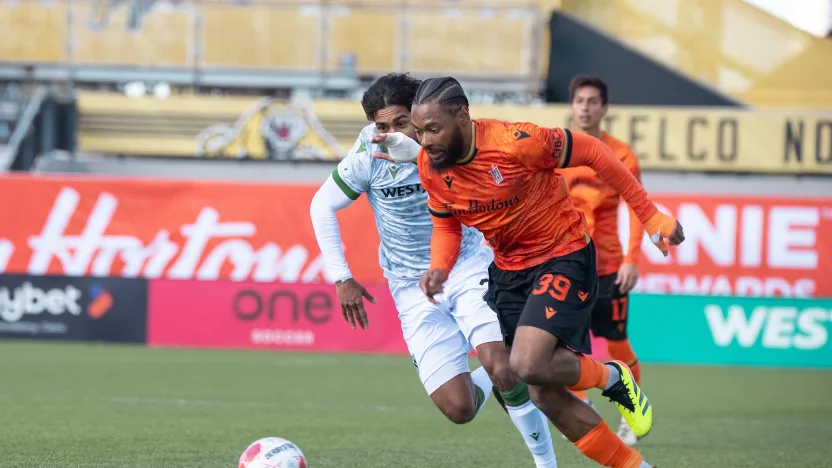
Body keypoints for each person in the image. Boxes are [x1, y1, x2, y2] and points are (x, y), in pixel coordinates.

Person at [373, 76, 684, 468]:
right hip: (508, 271)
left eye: (433, 129)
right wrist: (440, 267)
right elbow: (447, 226)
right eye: (419, 132)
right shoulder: (430, 166)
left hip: (563, 254)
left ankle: (611, 378)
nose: (425, 141)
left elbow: (595, 151)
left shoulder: (516, 142)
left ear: (462, 116)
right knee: (542, 393)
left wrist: (650, 215)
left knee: (526, 364)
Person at [308, 73, 558, 468]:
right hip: (410, 285)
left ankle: (545, 462)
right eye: (383, 126)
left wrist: (420, 157)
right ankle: (504, 370)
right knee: (459, 408)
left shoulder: (449, 143)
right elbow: (321, 206)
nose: (392, 134)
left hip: (466, 265)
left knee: (500, 365)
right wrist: (342, 277)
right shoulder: (368, 155)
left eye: (402, 122)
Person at [557, 75, 646, 446]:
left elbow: (639, 207)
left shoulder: (621, 155)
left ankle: (632, 411)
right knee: (560, 345)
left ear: (604, 108)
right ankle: (583, 407)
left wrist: (631, 259)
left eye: (593, 101)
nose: (585, 108)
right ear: (572, 105)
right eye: (580, 100)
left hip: (609, 265)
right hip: (566, 263)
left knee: (617, 343)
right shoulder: (557, 150)